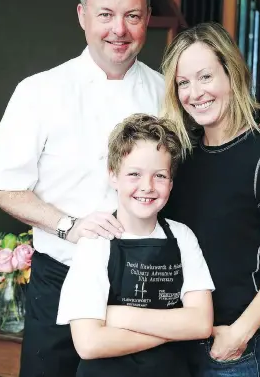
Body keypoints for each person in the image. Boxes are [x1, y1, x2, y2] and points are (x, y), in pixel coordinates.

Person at [0, 0, 260, 377]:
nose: (119, 30)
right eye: (105, 15)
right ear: (82, 16)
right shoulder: (39, 92)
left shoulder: (167, 93)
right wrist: (67, 224)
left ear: (146, 20)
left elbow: (216, 147)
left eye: (132, 16)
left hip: (150, 284)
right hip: (60, 280)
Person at [158, 22, 260, 377]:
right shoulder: (180, 157)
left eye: (205, 77)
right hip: (176, 345)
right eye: (183, 83)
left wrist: (238, 334)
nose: (195, 92)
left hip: (235, 353)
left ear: (231, 74)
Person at [56, 113, 214, 377]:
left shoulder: (182, 237)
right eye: (134, 174)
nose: (147, 186)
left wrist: (117, 317)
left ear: (171, 182)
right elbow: (89, 343)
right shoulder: (96, 242)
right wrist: (173, 332)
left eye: (160, 176)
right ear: (113, 176)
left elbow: (200, 324)